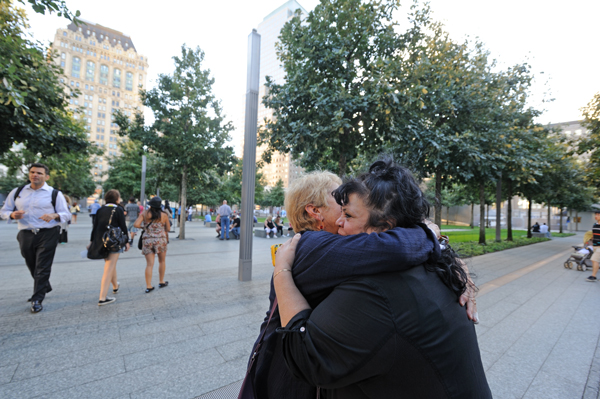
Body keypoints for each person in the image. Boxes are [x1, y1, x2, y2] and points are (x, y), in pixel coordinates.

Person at [246, 167, 479, 399]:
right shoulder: (309, 246)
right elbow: (398, 247)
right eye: (337, 198)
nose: (345, 199)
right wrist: (430, 232)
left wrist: (452, 259)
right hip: (286, 375)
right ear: (315, 211)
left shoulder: (340, 245)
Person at [0, 163, 71, 313]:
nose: (35, 175)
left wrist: (55, 215)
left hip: (48, 233)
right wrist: (12, 215)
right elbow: (4, 210)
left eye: (39, 173)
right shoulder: (18, 192)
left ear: (46, 176)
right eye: (32, 172)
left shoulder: (54, 194)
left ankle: (37, 298)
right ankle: (44, 286)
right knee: (31, 263)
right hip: (25, 233)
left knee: (42, 266)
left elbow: (66, 214)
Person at [87, 189, 129, 306]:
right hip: (114, 242)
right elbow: (123, 226)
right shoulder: (118, 209)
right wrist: (127, 241)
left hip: (101, 241)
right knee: (109, 267)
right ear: (117, 199)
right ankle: (102, 297)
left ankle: (115, 286)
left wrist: (91, 242)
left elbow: (95, 227)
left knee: (110, 265)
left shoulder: (100, 209)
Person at [134, 197, 170, 293]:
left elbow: (136, 224)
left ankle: (149, 286)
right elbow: (168, 229)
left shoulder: (145, 213)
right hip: (160, 240)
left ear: (150, 205)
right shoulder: (164, 215)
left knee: (149, 264)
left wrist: (144, 227)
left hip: (148, 240)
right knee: (162, 261)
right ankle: (161, 281)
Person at [587, 211, 600, 282]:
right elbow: (593, 235)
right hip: (595, 246)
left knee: (594, 259)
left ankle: (593, 276)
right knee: (597, 261)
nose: (596, 216)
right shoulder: (595, 225)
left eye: (598, 215)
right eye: (596, 215)